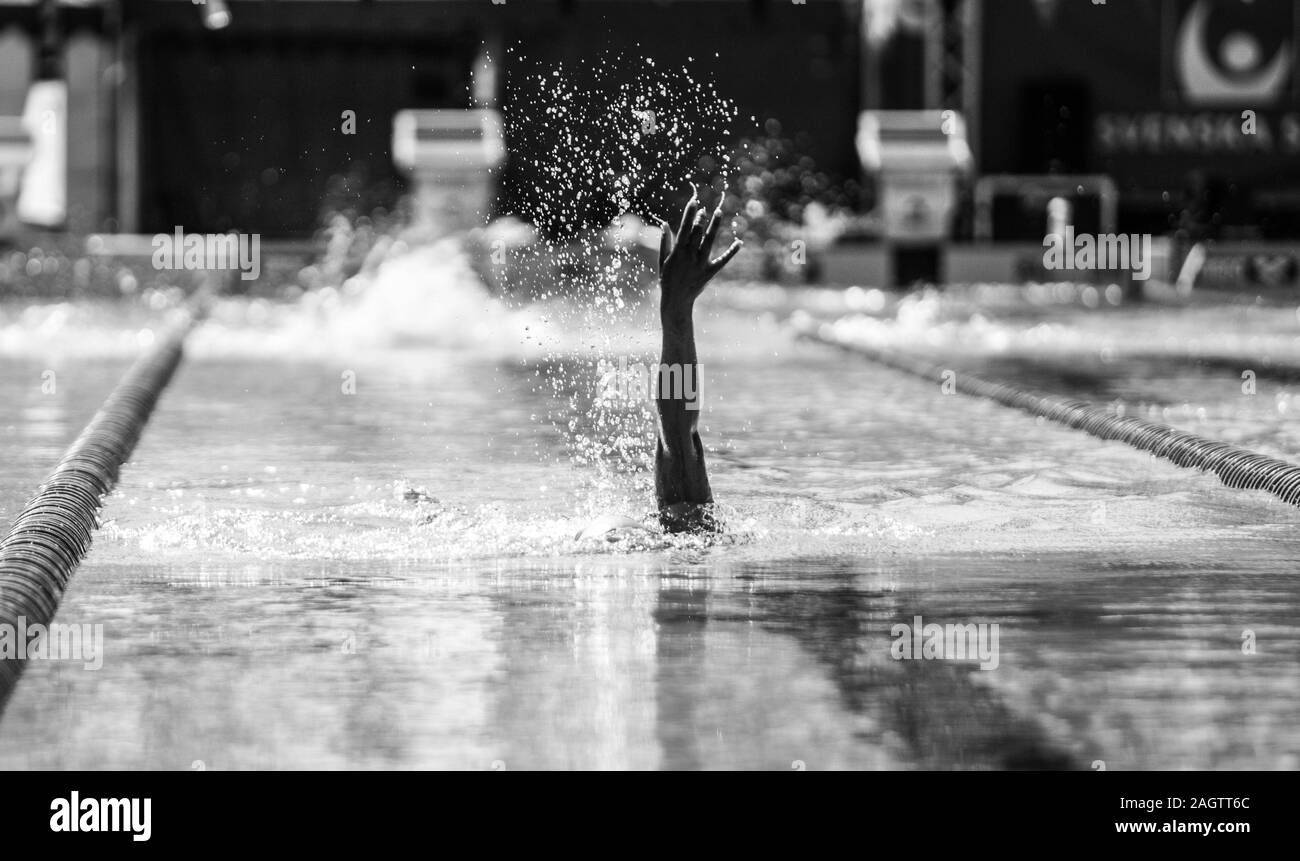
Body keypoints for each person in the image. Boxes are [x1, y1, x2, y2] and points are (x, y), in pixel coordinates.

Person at [652, 189, 742, 533]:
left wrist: (676, 309)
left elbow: (677, 436)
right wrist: (676, 309)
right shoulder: (689, 527)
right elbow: (677, 436)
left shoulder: (683, 525)